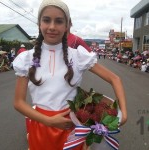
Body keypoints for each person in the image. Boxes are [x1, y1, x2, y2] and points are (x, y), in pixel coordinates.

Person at [13, 0, 127, 150]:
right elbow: (18, 102)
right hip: (41, 127)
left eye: (59, 21)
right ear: (39, 24)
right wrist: (49, 121)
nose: (52, 27)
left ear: (67, 25)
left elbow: (114, 78)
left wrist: (123, 113)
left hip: (72, 128)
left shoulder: (78, 56)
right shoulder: (26, 58)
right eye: (46, 20)